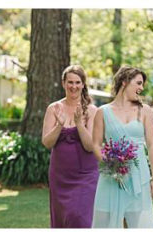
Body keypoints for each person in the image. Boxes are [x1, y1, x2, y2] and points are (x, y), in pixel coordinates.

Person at [91, 66, 153, 228]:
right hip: (111, 175)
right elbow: (96, 144)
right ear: (124, 82)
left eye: (142, 84)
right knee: (107, 221)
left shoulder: (145, 111)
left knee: (138, 222)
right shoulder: (103, 112)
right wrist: (110, 164)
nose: (141, 88)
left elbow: (151, 144)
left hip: (139, 173)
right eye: (138, 83)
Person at [42, 66, 98, 228]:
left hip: (85, 175)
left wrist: (79, 123)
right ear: (63, 83)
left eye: (77, 82)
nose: (73, 86)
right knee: (61, 219)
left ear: (83, 84)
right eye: (70, 82)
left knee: (80, 218)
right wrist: (59, 125)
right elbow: (47, 142)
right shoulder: (53, 109)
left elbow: (89, 146)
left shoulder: (92, 110)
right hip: (60, 175)